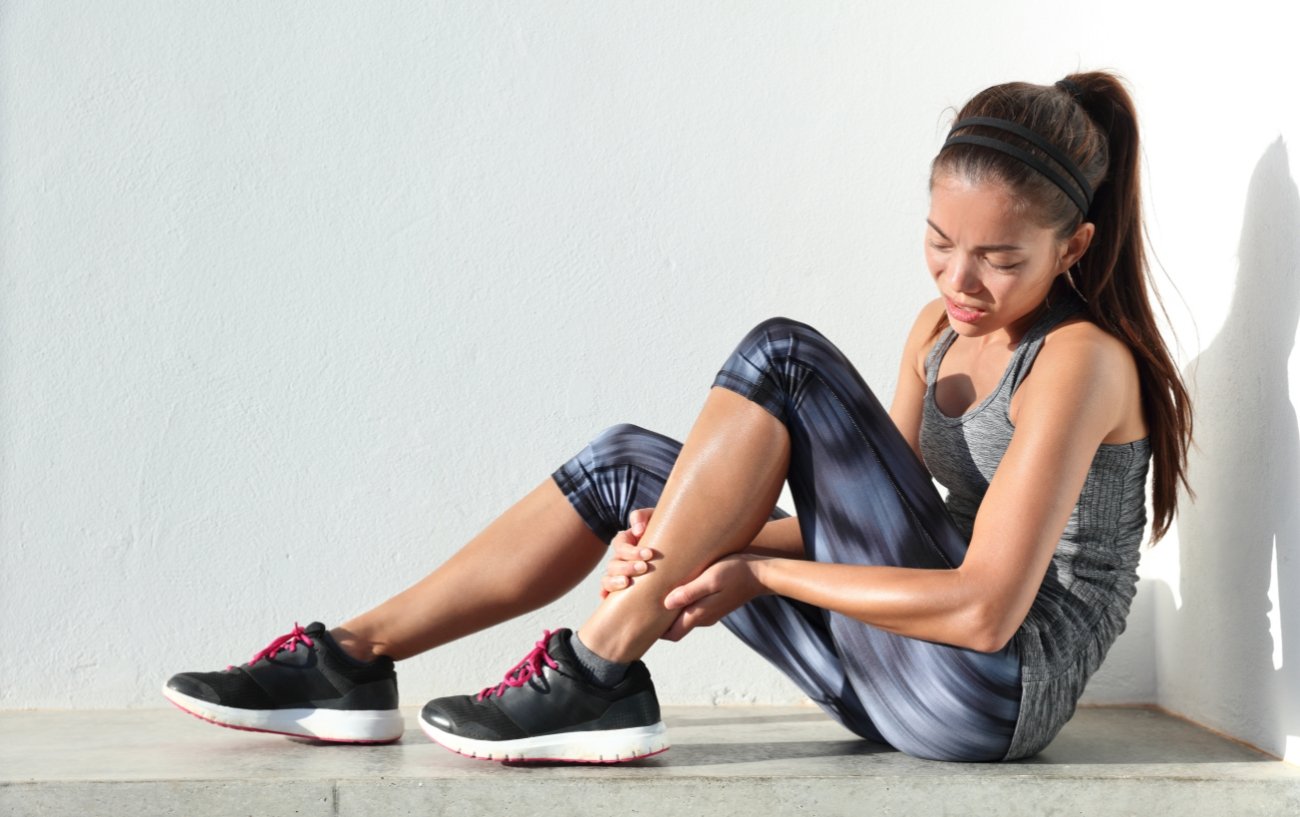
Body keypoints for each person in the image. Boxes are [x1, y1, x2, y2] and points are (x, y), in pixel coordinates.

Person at [163, 71, 1193, 764]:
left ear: (1073, 247)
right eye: (938, 242)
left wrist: (748, 568)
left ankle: (600, 665)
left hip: (988, 694)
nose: (959, 280)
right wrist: (692, 540)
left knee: (781, 357)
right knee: (627, 471)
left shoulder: (1081, 361)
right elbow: (888, 519)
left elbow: (980, 608)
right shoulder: (936, 329)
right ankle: (351, 659)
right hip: (897, 674)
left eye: (999, 259)